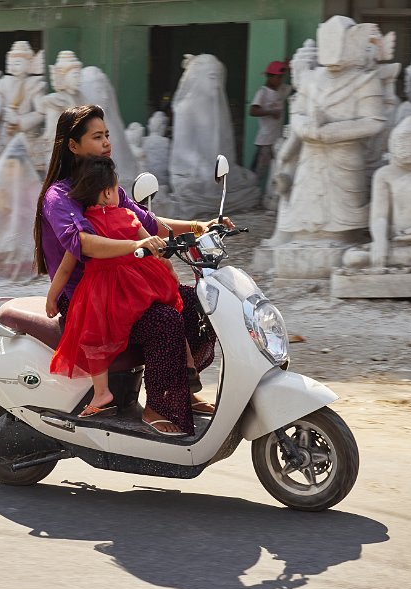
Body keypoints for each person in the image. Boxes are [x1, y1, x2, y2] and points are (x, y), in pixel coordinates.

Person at [34, 104, 228, 436]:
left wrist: (201, 226)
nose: (107, 142)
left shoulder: (109, 185)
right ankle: (159, 406)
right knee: (165, 320)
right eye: (97, 137)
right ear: (73, 145)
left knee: (200, 305)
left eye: (107, 135)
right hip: (87, 298)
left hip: (127, 286)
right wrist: (138, 246)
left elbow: (148, 222)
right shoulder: (59, 196)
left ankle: (181, 387)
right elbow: (84, 243)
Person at [46, 157, 188, 428]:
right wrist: (170, 273)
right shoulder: (128, 216)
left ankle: (102, 393)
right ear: (109, 192)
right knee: (175, 311)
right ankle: (187, 365)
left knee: (94, 339)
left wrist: (52, 298)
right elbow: (157, 250)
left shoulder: (85, 224)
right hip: (136, 289)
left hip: (100, 294)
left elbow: (65, 269)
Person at [249, 60, 291, 187]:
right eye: (277, 77)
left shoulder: (282, 89)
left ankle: (271, 196)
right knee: (259, 171)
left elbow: (296, 85)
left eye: (281, 77)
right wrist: (270, 111)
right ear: (270, 77)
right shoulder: (263, 92)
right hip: (265, 141)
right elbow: (252, 110)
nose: (280, 80)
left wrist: (289, 66)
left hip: (278, 140)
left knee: (278, 168)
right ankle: (252, 193)